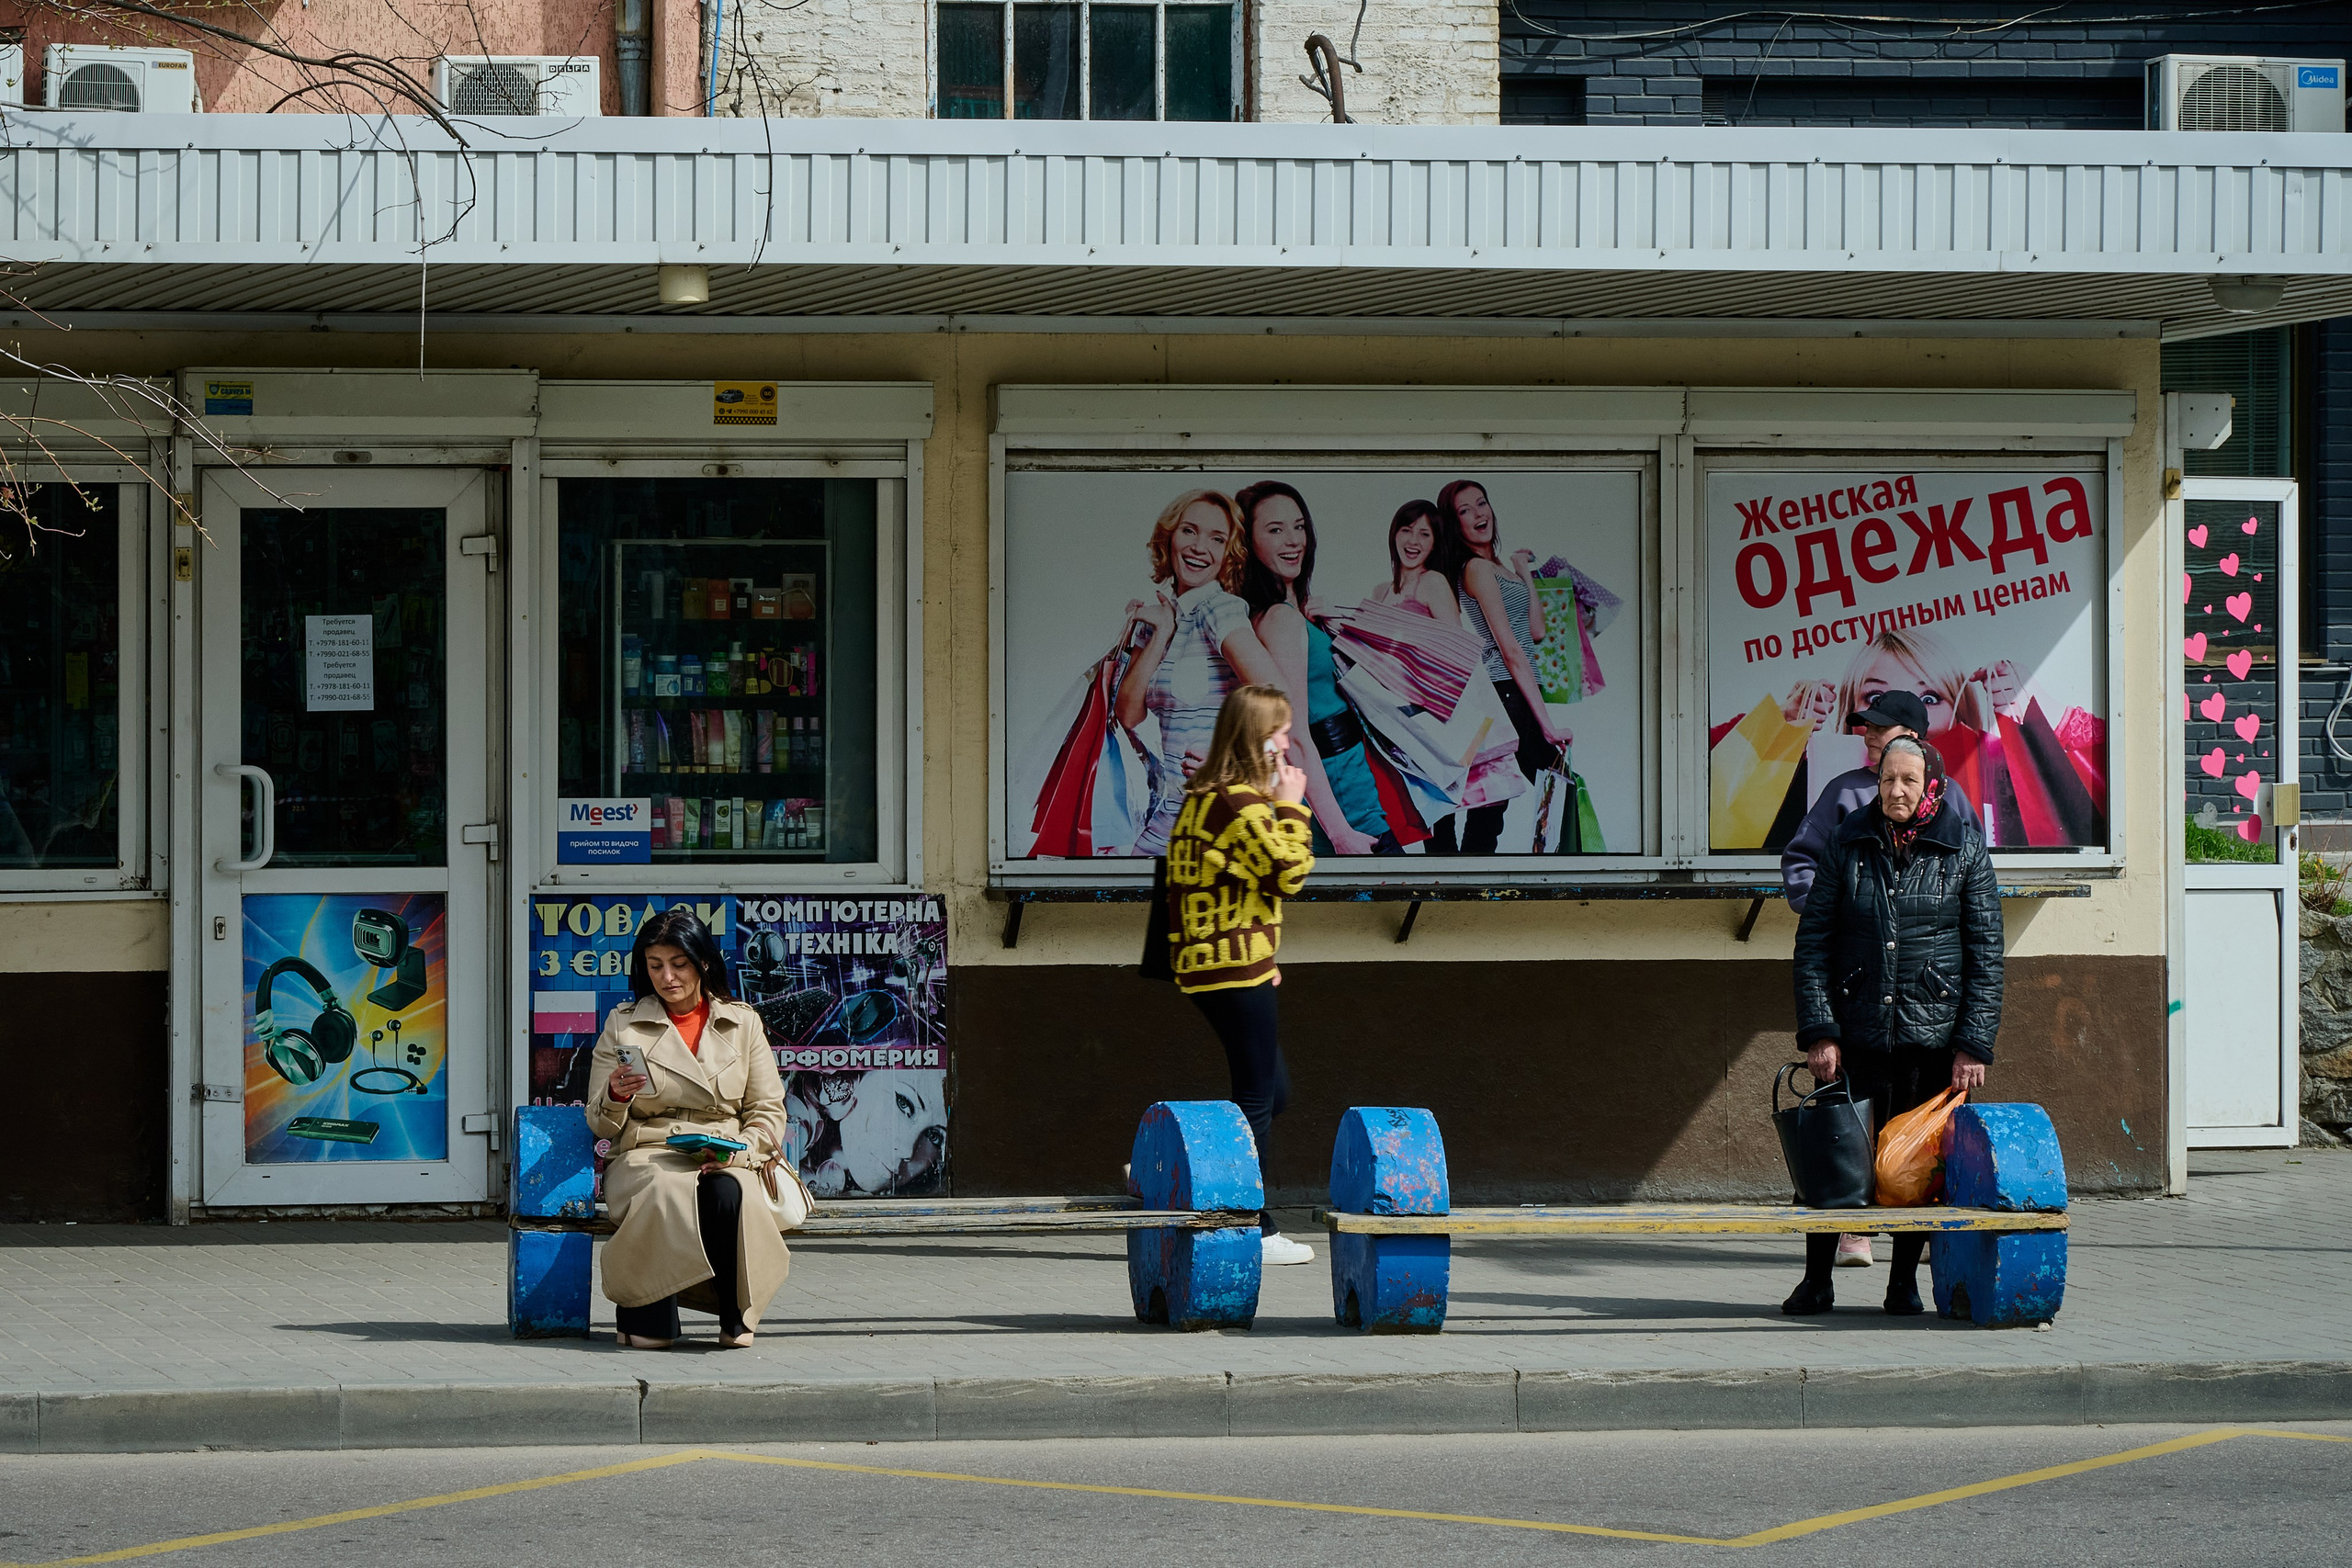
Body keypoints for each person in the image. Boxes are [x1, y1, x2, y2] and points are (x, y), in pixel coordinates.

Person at [1786, 736, 2003, 1317]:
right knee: (1834, 1162)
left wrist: (1972, 1045)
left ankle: (1902, 1282)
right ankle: (1816, 1281)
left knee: (1914, 1169)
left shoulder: (1964, 847)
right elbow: (1814, 945)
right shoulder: (1848, 841)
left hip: (1927, 1042)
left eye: (1908, 780)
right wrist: (1820, 1030)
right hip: (1853, 1037)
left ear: (1931, 783)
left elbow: (1986, 954)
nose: (1896, 791)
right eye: (1887, 780)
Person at [1161, 682, 1319, 1267]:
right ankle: (1253, 1226)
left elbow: (1230, 884)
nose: (1287, 741)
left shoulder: (1205, 797)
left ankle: (1178, 1166)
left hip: (1223, 964)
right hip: (1231, 968)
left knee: (1273, 1092)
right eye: (1279, 730)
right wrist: (1292, 806)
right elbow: (1287, 875)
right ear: (1258, 739)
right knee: (1256, 1096)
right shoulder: (1240, 802)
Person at [586, 908, 791, 1349]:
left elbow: (768, 1109)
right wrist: (617, 1095)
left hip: (725, 1148)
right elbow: (599, 1123)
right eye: (655, 965)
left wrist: (740, 1149)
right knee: (665, 1189)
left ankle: (736, 1317)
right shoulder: (624, 1024)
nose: (667, 977)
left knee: (727, 1190)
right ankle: (648, 1317)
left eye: (678, 964)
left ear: (704, 963)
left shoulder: (742, 1022)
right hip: (647, 1152)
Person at [1114, 490, 1286, 854]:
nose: (1199, 547)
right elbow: (1128, 714)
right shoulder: (1160, 617)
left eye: (1217, 539)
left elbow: (1276, 695)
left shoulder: (1218, 608)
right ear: (1170, 537)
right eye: (1189, 531)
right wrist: (1161, 633)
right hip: (1170, 815)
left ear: (1228, 554)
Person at [1234, 479, 1399, 856]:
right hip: (1338, 780)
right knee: (1397, 900)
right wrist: (1340, 831)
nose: (1294, 540)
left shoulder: (1279, 615)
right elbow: (1291, 734)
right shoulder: (1280, 620)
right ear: (1248, 542)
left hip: (1337, 774)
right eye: (1275, 530)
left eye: (1299, 526)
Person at [1430, 479, 1566, 853]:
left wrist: (1523, 571)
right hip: (1505, 687)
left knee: (1494, 797)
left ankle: (1469, 872)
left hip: (1519, 688)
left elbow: (1535, 631)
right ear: (1455, 523)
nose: (1478, 514)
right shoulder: (1475, 569)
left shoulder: (1498, 567)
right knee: (1555, 777)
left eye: (1482, 503)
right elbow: (1509, 649)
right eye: (1465, 510)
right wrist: (1547, 724)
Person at [1782, 690, 1979, 917]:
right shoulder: (1843, 790)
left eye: (1881, 728)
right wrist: (1829, 912)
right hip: (1862, 942)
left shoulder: (1948, 792)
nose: (1869, 736)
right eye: (1868, 727)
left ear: (1912, 735)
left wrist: (1954, 920)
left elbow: (1975, 864)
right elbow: (1801, 860)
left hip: (1931, 941)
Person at [1367, 499, 1460, 624]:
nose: (1413, 541)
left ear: (1434, 544)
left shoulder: (1433, 581)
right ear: (1395, 534)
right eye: (1406, 530)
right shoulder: (1380, 591)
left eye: (1424, 534)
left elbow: (1457, 641)